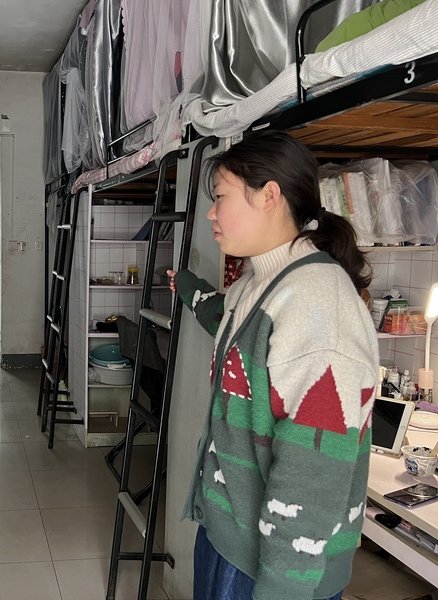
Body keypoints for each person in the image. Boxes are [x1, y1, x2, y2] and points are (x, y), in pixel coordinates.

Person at [167, 131, 378, 600]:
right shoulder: (257, 282)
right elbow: (229, 324)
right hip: (229, 534)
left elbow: (314, 469)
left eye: (220, 197)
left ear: (269, 196)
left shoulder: (318, 304)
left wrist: (284, 586)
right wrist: (188, 287)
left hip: (274, 563)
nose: (211, 213)